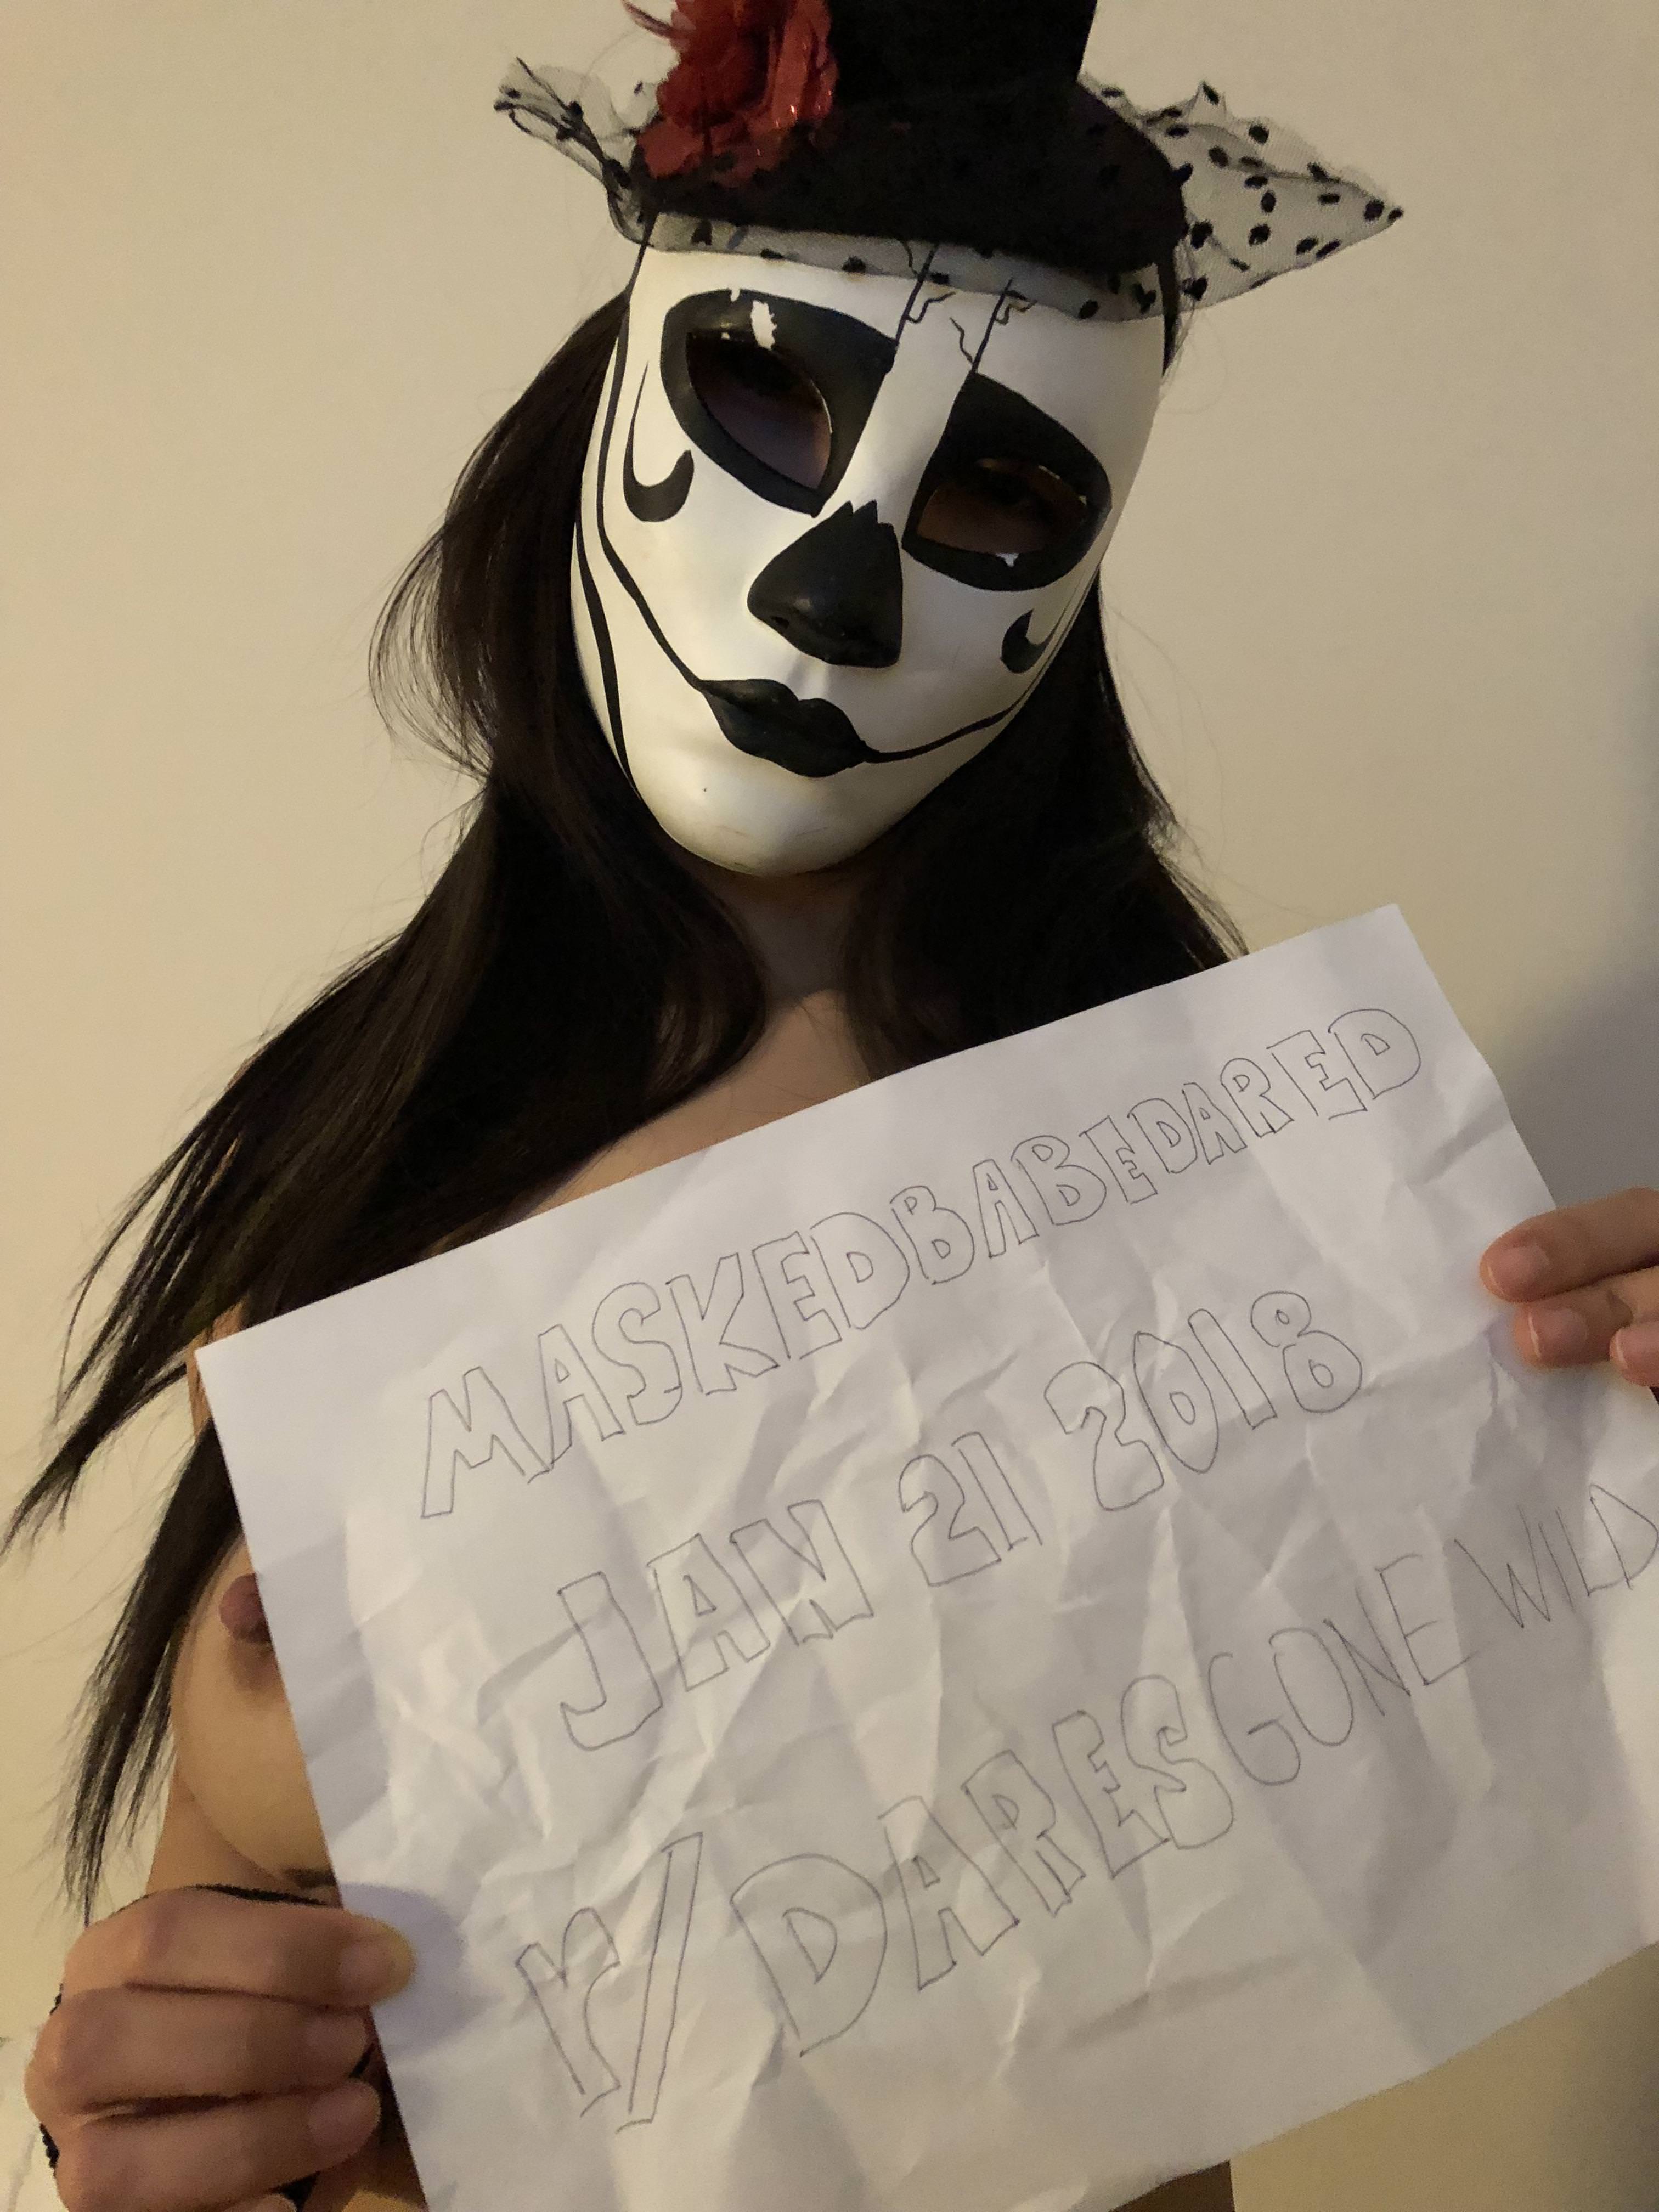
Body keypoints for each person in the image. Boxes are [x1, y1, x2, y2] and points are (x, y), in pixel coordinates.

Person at [7, 2, 1658, 2207]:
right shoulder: (360, 1154)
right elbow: (220, 1951)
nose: (834, 583)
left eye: (999, 490)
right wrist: (151, 2097)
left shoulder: (1244, 1219)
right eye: (762, 393)